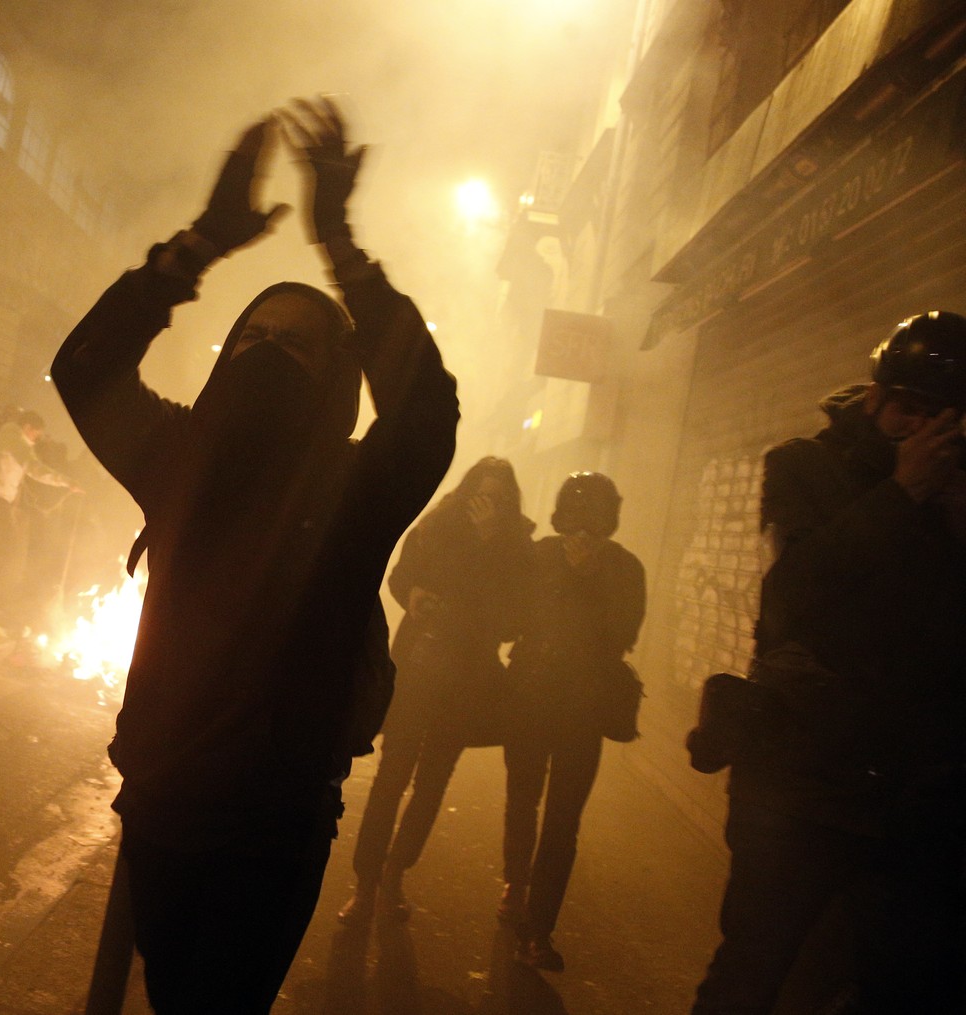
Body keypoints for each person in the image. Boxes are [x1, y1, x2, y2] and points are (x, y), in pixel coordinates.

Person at [51, 98, 458, 1012]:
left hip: (271, 829)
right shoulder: (178, 459)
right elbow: (83, 366)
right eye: (257, 339)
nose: (271, 355)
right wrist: (200, 244)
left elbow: (429, 413)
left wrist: (342, 247)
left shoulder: (356, 493)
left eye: (298, 347)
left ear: (337, 377)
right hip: (161, 801)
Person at [690, 312, 966, 1014]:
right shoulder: (805, 465)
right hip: (800, 779)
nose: (920, 431)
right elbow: (797, 593)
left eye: (942, 417)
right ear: (873, 396)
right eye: (908, 407)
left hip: (908, 798)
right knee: (753, 972)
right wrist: (902, 491)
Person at [338, 457, 534, 925]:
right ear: (467, 492)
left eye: (498, 499)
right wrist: (415, 596)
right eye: (480, 495)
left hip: (469, 679)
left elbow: (511, 617)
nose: (487, 507)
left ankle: (395, 873)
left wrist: (490, 544)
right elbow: (401, 577)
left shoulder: (516, 548)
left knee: (432, 783)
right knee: (393, 776)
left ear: (509, 505)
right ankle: (365, 884)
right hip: (420, 665)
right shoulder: (438, 526)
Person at [502, 471, 645, 972]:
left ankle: (538, 930)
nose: (583, 535)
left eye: (595, 524)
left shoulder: (625, 568)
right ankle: (515, 883)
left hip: (584, 709)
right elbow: (513, 617)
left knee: (563, 821)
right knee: (523, 799)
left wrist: (587, 578)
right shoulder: (538, 556)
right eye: (576, 522)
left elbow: (623, 633)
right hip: (529, 700)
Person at [0, 408, 74, 636]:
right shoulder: (14, 438)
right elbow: (33, 467)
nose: (36, 439)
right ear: (28, 428)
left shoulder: (7, 435)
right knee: (7, 553)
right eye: (36, 435)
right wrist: (66, 481)